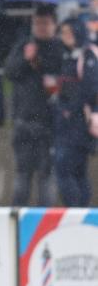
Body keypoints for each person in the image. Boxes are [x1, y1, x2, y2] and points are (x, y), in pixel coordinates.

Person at [5, 6, 65, 207]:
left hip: (49, 121)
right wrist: (26, 59)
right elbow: (10, 72)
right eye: (37, 23)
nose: (40, 27)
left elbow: (57, 76)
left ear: (54, 25)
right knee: (22, 174)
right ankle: (18, 220)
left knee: (46, 175)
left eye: (45, 23)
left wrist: (37, 62)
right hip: (24, 118)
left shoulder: (59, 47)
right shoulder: (24, 45)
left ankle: (44, 222)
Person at [53, 19, 98, 207]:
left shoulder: (87, 56)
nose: (66, 37)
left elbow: (91, 88)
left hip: (77, 122)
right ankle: (80, 209)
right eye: (63, 33)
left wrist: (70, 108)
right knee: (77, 170)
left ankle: (76, 211)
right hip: (69, 121)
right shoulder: (68, 55)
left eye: (69, 32)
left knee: (65, 169)